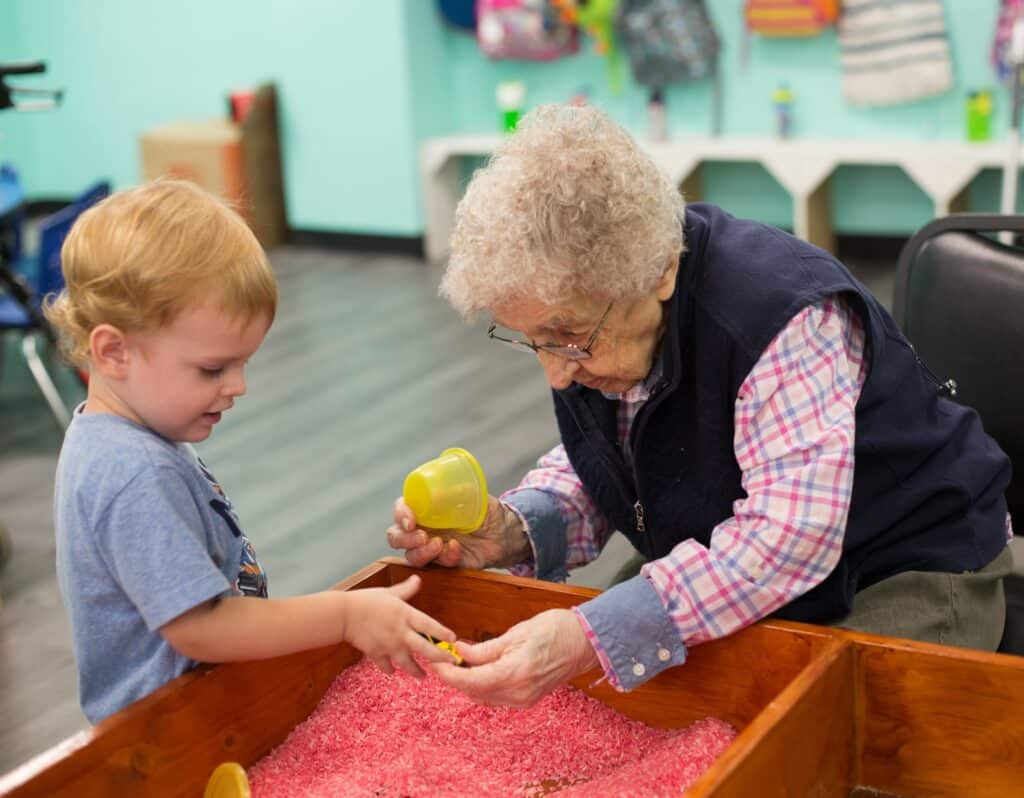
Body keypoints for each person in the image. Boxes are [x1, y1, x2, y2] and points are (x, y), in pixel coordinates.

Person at [387, 104, 1014, 707]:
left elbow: (784, 543)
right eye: (533, 342)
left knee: (824, 744)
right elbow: (621, 453)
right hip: (725, 538)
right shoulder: (603, 313)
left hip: (904, 566)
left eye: (570, 336)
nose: (556, 373)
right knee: (611, 699)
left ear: (660, 270)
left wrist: (589, 633)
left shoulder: (784, 317)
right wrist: (517, 530)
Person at [47, 180, 456, 724]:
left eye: (244, 363)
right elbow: (200, 627)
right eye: (214, 368)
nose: (237, 385)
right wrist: (344, 615)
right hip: (169, 736)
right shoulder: (131, 472)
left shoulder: (126, 438)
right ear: (114, 351)